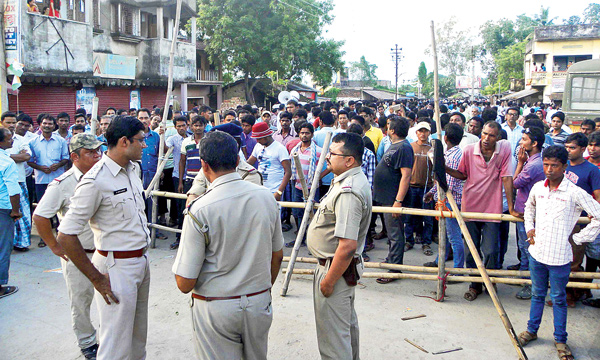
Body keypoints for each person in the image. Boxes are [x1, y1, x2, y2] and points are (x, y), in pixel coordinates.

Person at [173, 131, 284, 359]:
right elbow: (278, 255)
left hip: (217, 307)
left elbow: (184, 283)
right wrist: (261, 289)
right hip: (258, 301)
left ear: (204, 166)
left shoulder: (200, 210)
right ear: (237, 160)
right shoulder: (266, 198)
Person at [56, 116, 151, 360]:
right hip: (115, 266)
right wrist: (96, 278)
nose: (145, 145)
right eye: (141, 140)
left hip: (140, 260)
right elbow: (65, 235)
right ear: (123, 141)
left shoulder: (133, 169)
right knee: (115, 344)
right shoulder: (95, 180)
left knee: (137, 339)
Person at [518, 146, 600, 360]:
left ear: (564, 167)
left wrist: (578, 239)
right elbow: (529, 208)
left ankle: (560, 340)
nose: (549, 169)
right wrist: (529, 228)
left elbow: (598, 215)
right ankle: (531, 330)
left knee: (558, 299)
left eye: (554, 165)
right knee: (537, 294)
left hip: (560, 257)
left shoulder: (574, 192)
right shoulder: (538, 188)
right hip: (537, 253)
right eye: (546, 164)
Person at [33, 133, 103, 359]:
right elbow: (41, 216)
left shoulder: (102, 177)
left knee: (109, 296)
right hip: (78, 254)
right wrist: (55, 246)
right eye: (90, 153)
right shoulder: (62, 185)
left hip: (104, 251)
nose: (97, 156)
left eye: (98, 151)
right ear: (74, 156)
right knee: (81, 301)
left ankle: (109, 338)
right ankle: (87, 343)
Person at [306, 132, 372, 360]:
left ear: (349, 160)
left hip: (335, 269)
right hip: (337, 268)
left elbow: (347, 246)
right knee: (344, 332)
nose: (327, 158)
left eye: (332, 154)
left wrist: (328, 281)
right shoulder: (346, 180)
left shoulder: (349, 191)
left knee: (334, 342)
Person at [446, 121, 517, 301]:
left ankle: (489, 280)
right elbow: (463, 174)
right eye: (484, 134)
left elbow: (507, 178)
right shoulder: (469, 150)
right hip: (471, 205)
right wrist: (443, 168)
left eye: (491, 135)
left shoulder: (505, 149)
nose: (486, 138)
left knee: (492, 250)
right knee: (471, 249)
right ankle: (475, 284)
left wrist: (511, 207)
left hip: (492, 207)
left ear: (498, 138)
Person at [372, 116, 413, 284]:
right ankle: (391, 259)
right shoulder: (394, 146)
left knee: (395, 234)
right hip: (386, 198)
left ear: (392, 130)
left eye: (389, 126)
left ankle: (394, 268)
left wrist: (398, 201)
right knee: (391, 232)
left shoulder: (404, 147)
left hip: (393, 199)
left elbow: (406, 176)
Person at [424, 123, 465, 269]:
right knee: (447, 234)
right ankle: (439, 260)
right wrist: (432, 192)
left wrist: (438, 197)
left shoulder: (453, 157)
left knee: (454, 237)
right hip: (448, 199)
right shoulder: (453, 153)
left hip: (451, 201)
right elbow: (443, 181)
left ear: (445, 138)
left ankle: (458, 269)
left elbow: (449, 184)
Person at [512, 127, 546, 300]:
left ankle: (529, 284)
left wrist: (519, 163)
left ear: (534, 143)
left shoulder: (533, 165)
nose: (520, 143)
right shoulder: (535, 161)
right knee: (526, 249)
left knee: (528, 249)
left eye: (524, 139)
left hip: (529, 214)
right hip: (528, 212)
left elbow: (515, 183)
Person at [287, 122, 322, 247]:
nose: (304, 135)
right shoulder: (294, 150)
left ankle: (313, 241)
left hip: (312, 187)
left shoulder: (318, 151)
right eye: (302, 133)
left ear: (312, 135)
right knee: (297, 212)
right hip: (296, 185)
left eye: (307, 133)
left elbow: (329, 166)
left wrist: (318, 177)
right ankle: (300, 238)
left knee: (312, 213)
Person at [1, 112, 32, 252]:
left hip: (19, 180)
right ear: (2, 122)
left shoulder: (20, 139)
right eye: (9, 122)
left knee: (23, 215)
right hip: (5, 191)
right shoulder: (7, 161)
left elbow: (26, 156)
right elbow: (21, 156)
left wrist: (7, 155)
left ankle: (22, 243)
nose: (12, 125)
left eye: (14, 122)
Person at [27, 114, 69, 210]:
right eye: (44, 123)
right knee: (43, 206)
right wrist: (40, 167)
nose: (47, 125)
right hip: (41, 180)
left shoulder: (61, 141)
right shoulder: (32, 142)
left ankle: (58, 225)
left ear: (54, 126)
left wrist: (58, 165)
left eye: (50, 124)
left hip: (58, 179)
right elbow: (29, 161)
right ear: (40, 125)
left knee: (59, 206)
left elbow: (66, 158)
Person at [0, 128, 22, 299]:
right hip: (4, 207)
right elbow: (13, 189)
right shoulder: (7, 162)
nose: (12, 141)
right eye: (9, 139)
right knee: (2, 247)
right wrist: (15, 210)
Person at [247, 122, 291, 203]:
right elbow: (249, 163)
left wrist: (279, 192)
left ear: (266, 136)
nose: (257, 141)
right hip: (260, 188)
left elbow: (288, 172)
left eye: (259, 138)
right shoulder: (258, 146)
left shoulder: (280, 148)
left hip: (274, 189)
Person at [313, 111, 338, 195]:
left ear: (320, 121)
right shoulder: (340, 134)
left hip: (319, 176)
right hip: (336, 175)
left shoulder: (315, 135)